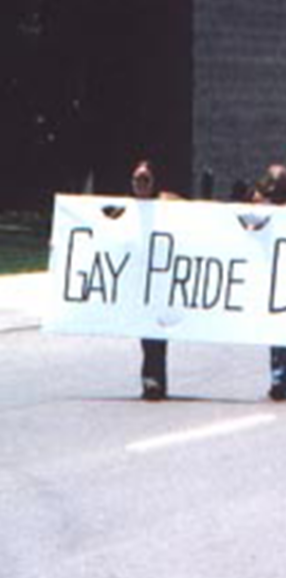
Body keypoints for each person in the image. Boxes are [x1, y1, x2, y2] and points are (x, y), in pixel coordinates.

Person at [253, 164, 286, 398]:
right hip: (263, 275)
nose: (277, 189)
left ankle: (280, 377)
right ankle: (279, 376)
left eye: (281, 185)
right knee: (273, 329)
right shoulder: (258, 209)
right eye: (274, 185)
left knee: (281, 330)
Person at [131, 160, 171, 400]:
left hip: (161, 279)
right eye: (137, 179)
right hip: (137, 280)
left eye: (145, 179)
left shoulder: (166, 205)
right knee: (147, 333)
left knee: (156, 331)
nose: (141, 184)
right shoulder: (124, 209)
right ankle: (153, 380)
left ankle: (153, 380)